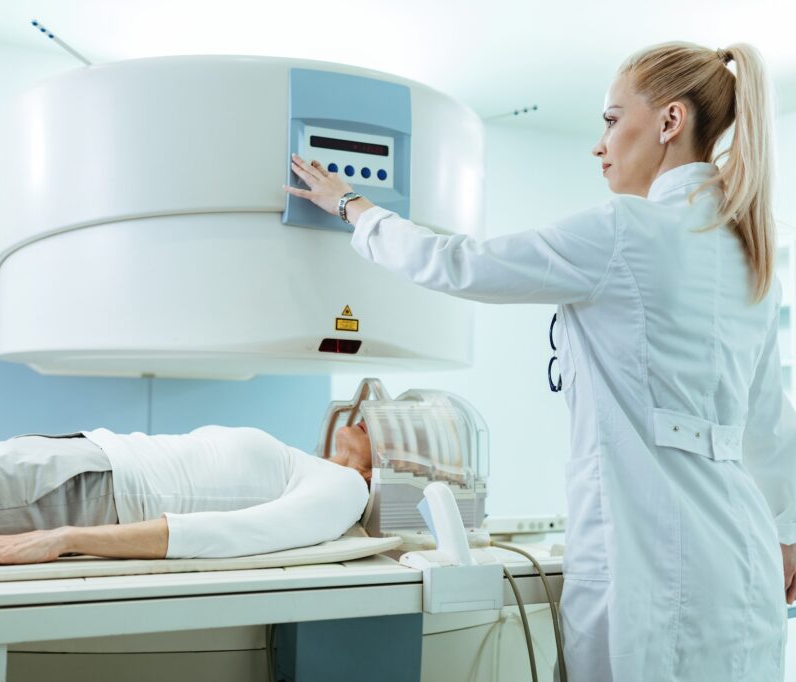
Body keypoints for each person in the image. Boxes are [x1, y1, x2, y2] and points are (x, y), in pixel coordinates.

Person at [286, 41, 796, 681]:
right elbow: (771, 424)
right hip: (742, 562)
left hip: (651, 563)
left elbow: (459, 262)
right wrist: (788, 530)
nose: (599, 143)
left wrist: (351, 206)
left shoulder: (625, 229)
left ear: (670, 122)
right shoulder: (748, 252)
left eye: (612, 120)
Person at [0, 423, 373, 572]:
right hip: (73, 464)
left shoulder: (343, 490)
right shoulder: (311, 463)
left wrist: (63, 539)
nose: (367, 417)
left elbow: (225, 538)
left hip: (77, 497)